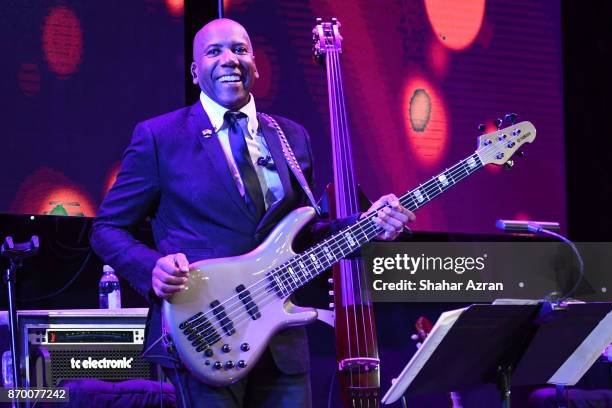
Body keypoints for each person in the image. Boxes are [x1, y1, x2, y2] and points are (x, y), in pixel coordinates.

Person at [90, 18, 415, 408]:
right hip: (207, 334)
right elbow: (107, 228)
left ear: (256, 65)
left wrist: (368, 226)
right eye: (214, 51)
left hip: (282, 342)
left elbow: (305, 235)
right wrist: (152, 269)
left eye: (240, 49)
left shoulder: (291, 137)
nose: (229, 59)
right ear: (196, 72)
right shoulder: (160, 137)